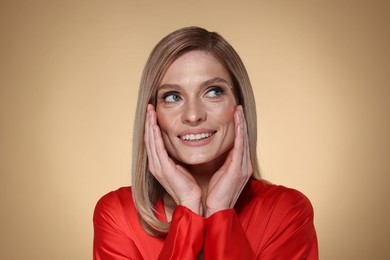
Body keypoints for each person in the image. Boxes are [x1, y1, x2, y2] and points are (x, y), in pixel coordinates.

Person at [93, 26, 318, 259]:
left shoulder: (286, 212)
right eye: (172, 96)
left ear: (239, 105)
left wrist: (220, 211)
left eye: (213, 92)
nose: (193, 115)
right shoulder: (117, 215)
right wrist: (189, 207)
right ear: (152, 114)